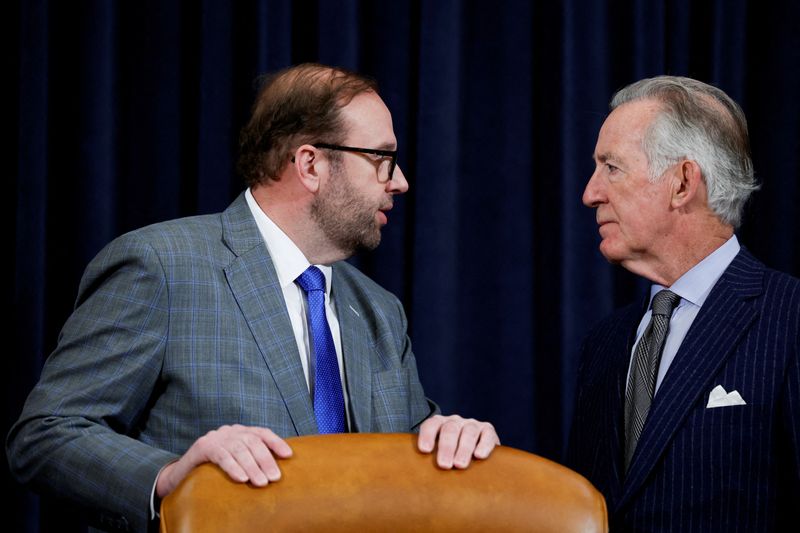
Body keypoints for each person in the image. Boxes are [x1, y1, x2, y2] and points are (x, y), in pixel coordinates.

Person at [7, 63, 499, 532]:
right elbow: (47, 435)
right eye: (381, 159)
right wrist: (170, 477)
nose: (400, 181)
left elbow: (402, 447)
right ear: (310, 164)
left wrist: (448, 436)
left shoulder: (378, 310)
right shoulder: (161, 265)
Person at [567, 75, 799, 532]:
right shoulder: (605, 344)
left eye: (611, 167)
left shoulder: (790, 321)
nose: (590, 193)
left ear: (682, 182)